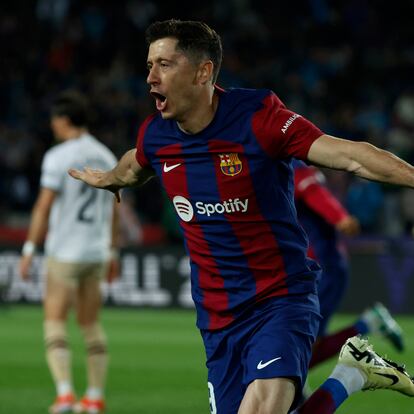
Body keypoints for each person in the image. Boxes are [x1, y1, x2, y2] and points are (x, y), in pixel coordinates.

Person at [69, 19, 414, 414]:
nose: (150, 77)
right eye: (149, 65)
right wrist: (112, 180)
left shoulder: (259, 118)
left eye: (164, 64)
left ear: (203, 72)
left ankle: (352, 374)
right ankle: (352, 375)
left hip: (280, 298)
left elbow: (351, 155)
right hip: (217, 319)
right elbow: (134, 165)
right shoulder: (157, 135)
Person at [19, 90, 119, 414]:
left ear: (63, 120)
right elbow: (114, 208)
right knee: (91, 325)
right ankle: (93, 397)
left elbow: (43, 207)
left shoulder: (58, 156)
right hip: (96, 252)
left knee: (55, 322)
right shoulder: (105, 155)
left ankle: (64, 394)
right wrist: (114, 252)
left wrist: (30, 248)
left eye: (54, 121)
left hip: (64, 253)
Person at [293, 160, 404, 374]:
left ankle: (367, 328)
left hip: (320, 268)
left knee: (298, 352)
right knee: (295, 351)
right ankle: (370, 323)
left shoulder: (293, 169)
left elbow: (316, 194)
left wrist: (340, 218)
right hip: (312, 268)